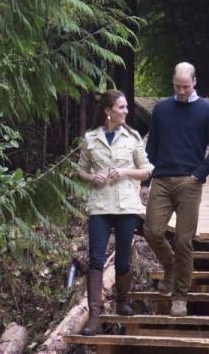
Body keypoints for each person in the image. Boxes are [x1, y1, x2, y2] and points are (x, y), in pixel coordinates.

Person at [143, 63, 209, 317]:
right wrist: (146, 181)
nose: (181, 91)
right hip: (162, 178)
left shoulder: (207, 111)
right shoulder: (162, 109)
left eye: (185, 87)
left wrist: (198, 175)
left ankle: (180, 297)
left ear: (195, 82)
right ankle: (170, 266)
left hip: (189, 182)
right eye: (177, 86)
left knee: (184, 240)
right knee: (153, 231)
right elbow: (152, 147)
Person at [76, 90, 153, 335]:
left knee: (121, 259)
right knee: (96, 260)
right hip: (99, 205)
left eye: (126, 107)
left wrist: (126, 172)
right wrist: (92, 177)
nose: (126, 111)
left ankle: (122, 302)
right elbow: (81, 171)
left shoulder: (133, 137)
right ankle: (94, 318)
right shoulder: (91, 138)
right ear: (108, 111)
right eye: (121, 107)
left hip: (126, 205)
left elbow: (146, 170)